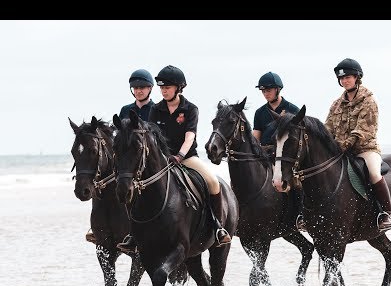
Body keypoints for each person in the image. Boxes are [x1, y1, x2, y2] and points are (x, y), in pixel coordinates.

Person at [116, 65, 232, 253]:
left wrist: (179, 155)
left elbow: (190, 137)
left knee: (212, 182)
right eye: (161, 87)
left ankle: (218, 227)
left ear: (179, 88)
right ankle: (133, 234)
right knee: (136, 187)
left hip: (186, 158)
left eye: (167, 87)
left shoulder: (190, 109)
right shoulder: (156, 109)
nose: (163, 91)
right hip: (162, 161)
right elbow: (153, 137)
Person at [86, 68, 155, 244]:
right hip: (128, 160)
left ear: (150, 88)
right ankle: (99, 226)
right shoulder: (125, 110)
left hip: (149, 160)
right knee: (105, 182)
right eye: (135, 87)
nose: (139, 90)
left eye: (143, 87)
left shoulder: (156, 109)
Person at [324, 58, 391, 232]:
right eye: (342, 78)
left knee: (373, 172)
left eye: (348, 77)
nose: (345, 80)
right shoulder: (336, 104)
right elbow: (328, 127)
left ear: (357, 77)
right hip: (340, 151)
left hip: (364, 149)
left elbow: (363, 130)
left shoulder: (368, 100)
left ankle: (386, 213)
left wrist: (343, 146)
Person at [252, 71, 306, 231]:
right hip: (266, 156)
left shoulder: (292, 109)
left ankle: (300, 216)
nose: (265, 93)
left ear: (278, 89)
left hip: (286, 156)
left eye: (268, 90)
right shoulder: (260, 112)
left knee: (297, 182)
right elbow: (256, 137)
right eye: (263, 91)